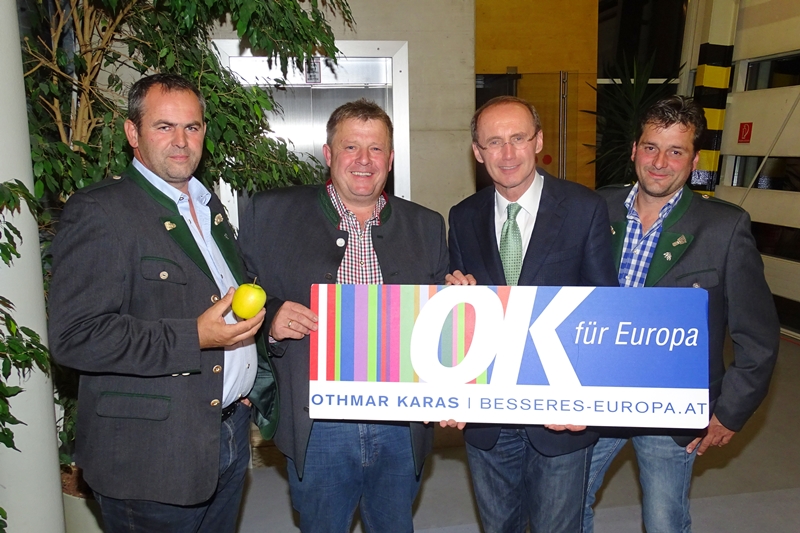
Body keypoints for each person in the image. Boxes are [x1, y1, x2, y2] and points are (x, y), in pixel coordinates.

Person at [48, 73, 277, 532]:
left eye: (192, 127)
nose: (181, 141)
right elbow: (75, 337)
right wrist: (194, 336)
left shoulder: (209, 207)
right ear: (132, 133)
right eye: (164, 126)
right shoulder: (101, 211)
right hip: (152, 457)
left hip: (228, 432)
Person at [238, 99, 449, 533]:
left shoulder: (427, 226)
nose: (364, 160)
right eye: (351, 147)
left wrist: (458, 297)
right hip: (318, 423)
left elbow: (442, 322)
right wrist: (272, 315)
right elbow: (236, 290)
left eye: (376, 149)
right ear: (328, 154)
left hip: (401, 420)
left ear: (391, 158)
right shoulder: (269, 214)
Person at [583, 95, 780, 533]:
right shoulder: (595, 209)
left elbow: (758, 336)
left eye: (676, 151)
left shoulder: (724, 228)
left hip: (672, 410)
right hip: (595, 397)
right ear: (634, 150)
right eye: (651, 147)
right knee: (564, 507)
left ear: (693, 161)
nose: (660, 163)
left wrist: (730, 410)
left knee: (664, 521)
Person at [447, 95, 619, 532]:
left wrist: (587, 400)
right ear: (478, 152)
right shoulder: (462, 217)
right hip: (489, 418)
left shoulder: (584, 208)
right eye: (494, 142)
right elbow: (460, 319)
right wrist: (457, 300)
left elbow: (604, 308)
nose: (507, 153)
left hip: (560, 414)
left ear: (538, 141)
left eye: (518, 138)